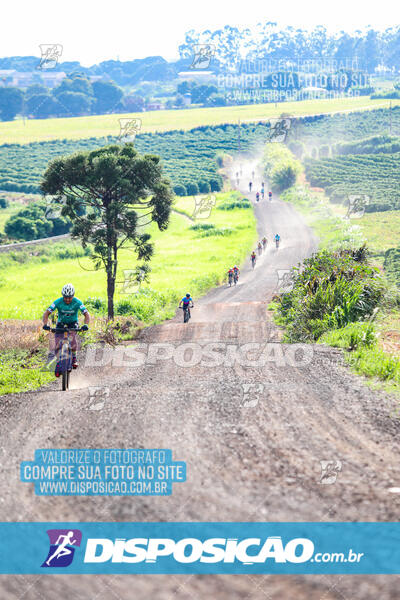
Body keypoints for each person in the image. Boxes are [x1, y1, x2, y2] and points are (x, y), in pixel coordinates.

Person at [42, 283, 90, 377]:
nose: (67, 299)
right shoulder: (58, 302)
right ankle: (59, 362)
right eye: (65, 297)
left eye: (70, 297)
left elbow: (87, 314)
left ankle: (74, 357)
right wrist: (45, 324)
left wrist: (85, 325)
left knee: (72, 339)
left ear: (73, 295)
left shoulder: (77, 302)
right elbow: (46, 313)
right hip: (61, 323)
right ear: (62, 296)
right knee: (56, 344)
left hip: (73, 323)